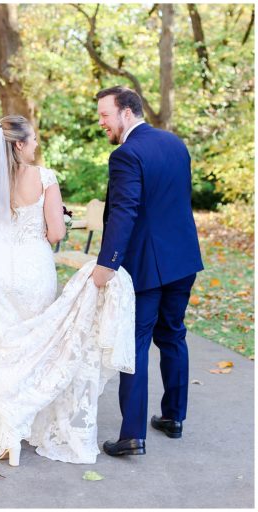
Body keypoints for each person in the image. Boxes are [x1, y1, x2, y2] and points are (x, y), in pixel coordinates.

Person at [0, 115, 136, 466]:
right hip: (32, 271)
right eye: (31, 140)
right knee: (35, 349)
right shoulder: (44, 177)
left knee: (2, 351)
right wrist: (59, 216)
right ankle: (27, 424)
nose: (35, 145)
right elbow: (56, 234)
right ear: (19, 144)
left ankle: (7, 438)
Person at [91, 86, 204, 457]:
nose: (101, 122)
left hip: (147, 266)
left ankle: (131, 435)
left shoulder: (126, 154)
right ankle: (173, 418)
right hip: (183, 258)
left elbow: (125, 211)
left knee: (135, 344)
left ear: (127, 113)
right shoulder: (175, 144)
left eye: (105, 115)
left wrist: (106, 264)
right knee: (173, 335)